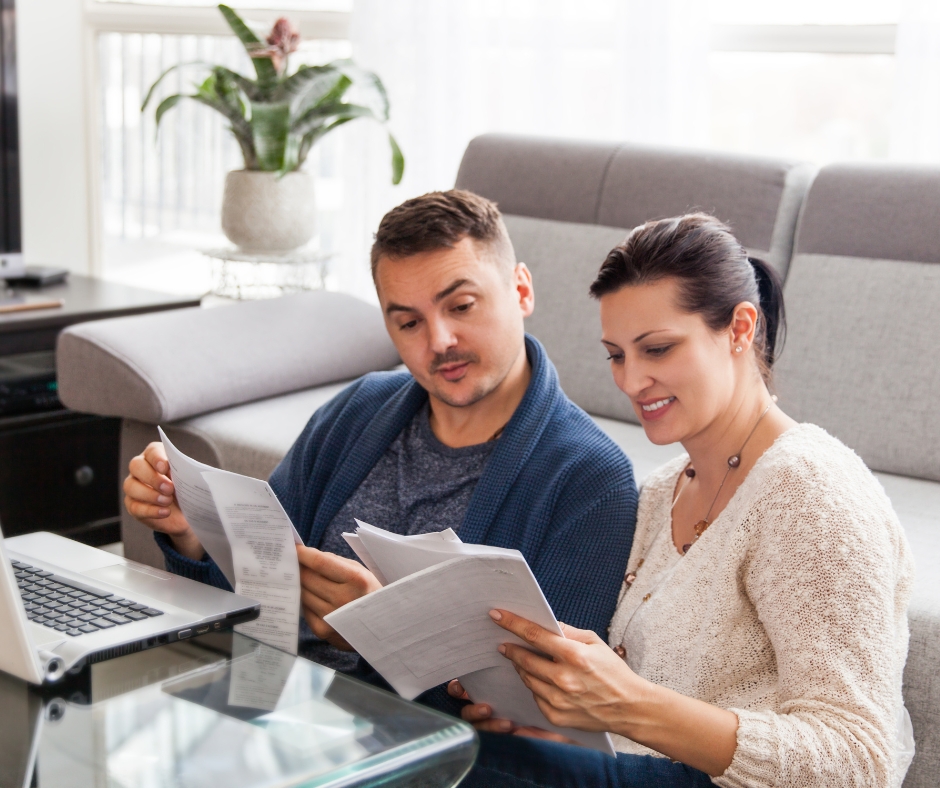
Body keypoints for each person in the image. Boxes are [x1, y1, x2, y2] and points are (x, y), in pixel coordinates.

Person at [451, 213, 915, 788]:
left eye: (659, 349)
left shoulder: (811, 493)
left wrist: (627, 706)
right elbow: (642, 709)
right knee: (453, 745)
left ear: (741, 329)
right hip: (644, 769)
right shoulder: (665, 489)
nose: (631, 380)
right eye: (616, 355)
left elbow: (858, 761)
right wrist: (556, 721)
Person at [122, 189, 638, 672]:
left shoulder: (590, 479)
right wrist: (187, 532)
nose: (439, 341)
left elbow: (553, 701)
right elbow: (256, 588)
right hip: (273, 694)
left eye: (461, 306)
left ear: (521, 290)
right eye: (409, 323)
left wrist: (383, 631)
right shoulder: (359, 410)